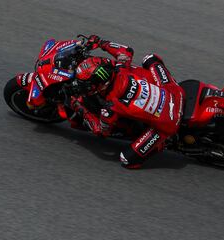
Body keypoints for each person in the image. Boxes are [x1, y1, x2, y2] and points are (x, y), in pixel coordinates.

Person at [73, 35, 185, 169]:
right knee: (150, 58)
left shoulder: (110, 106)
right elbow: (126, 50)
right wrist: (101, 42)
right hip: (174, 92)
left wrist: (81, 109)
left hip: (169, 123)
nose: (83, 87)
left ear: (99, 85)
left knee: (126, 160)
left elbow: (101, 131)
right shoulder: (121, 68)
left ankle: (162, 143)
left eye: (85, 84)